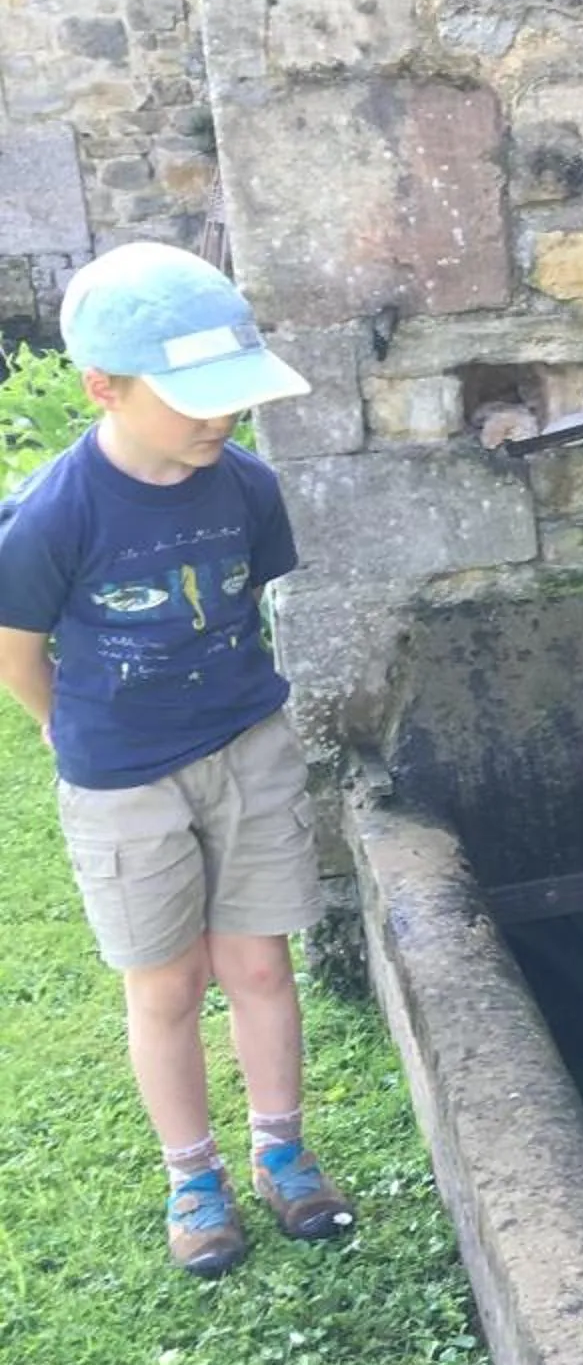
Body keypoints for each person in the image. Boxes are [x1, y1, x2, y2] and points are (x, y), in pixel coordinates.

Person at [0, 241, 353, 1276]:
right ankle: (193, 1178)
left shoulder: (246, 485)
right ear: (102, 386)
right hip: (126, 782)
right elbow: (17, 644)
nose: (220, 418)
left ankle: (283, 1153)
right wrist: (63, 728)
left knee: (257, 962)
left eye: (232, 399)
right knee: (165, 983)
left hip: (249, 750)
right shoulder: (52, 517)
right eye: (196, 399)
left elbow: (247, 602)